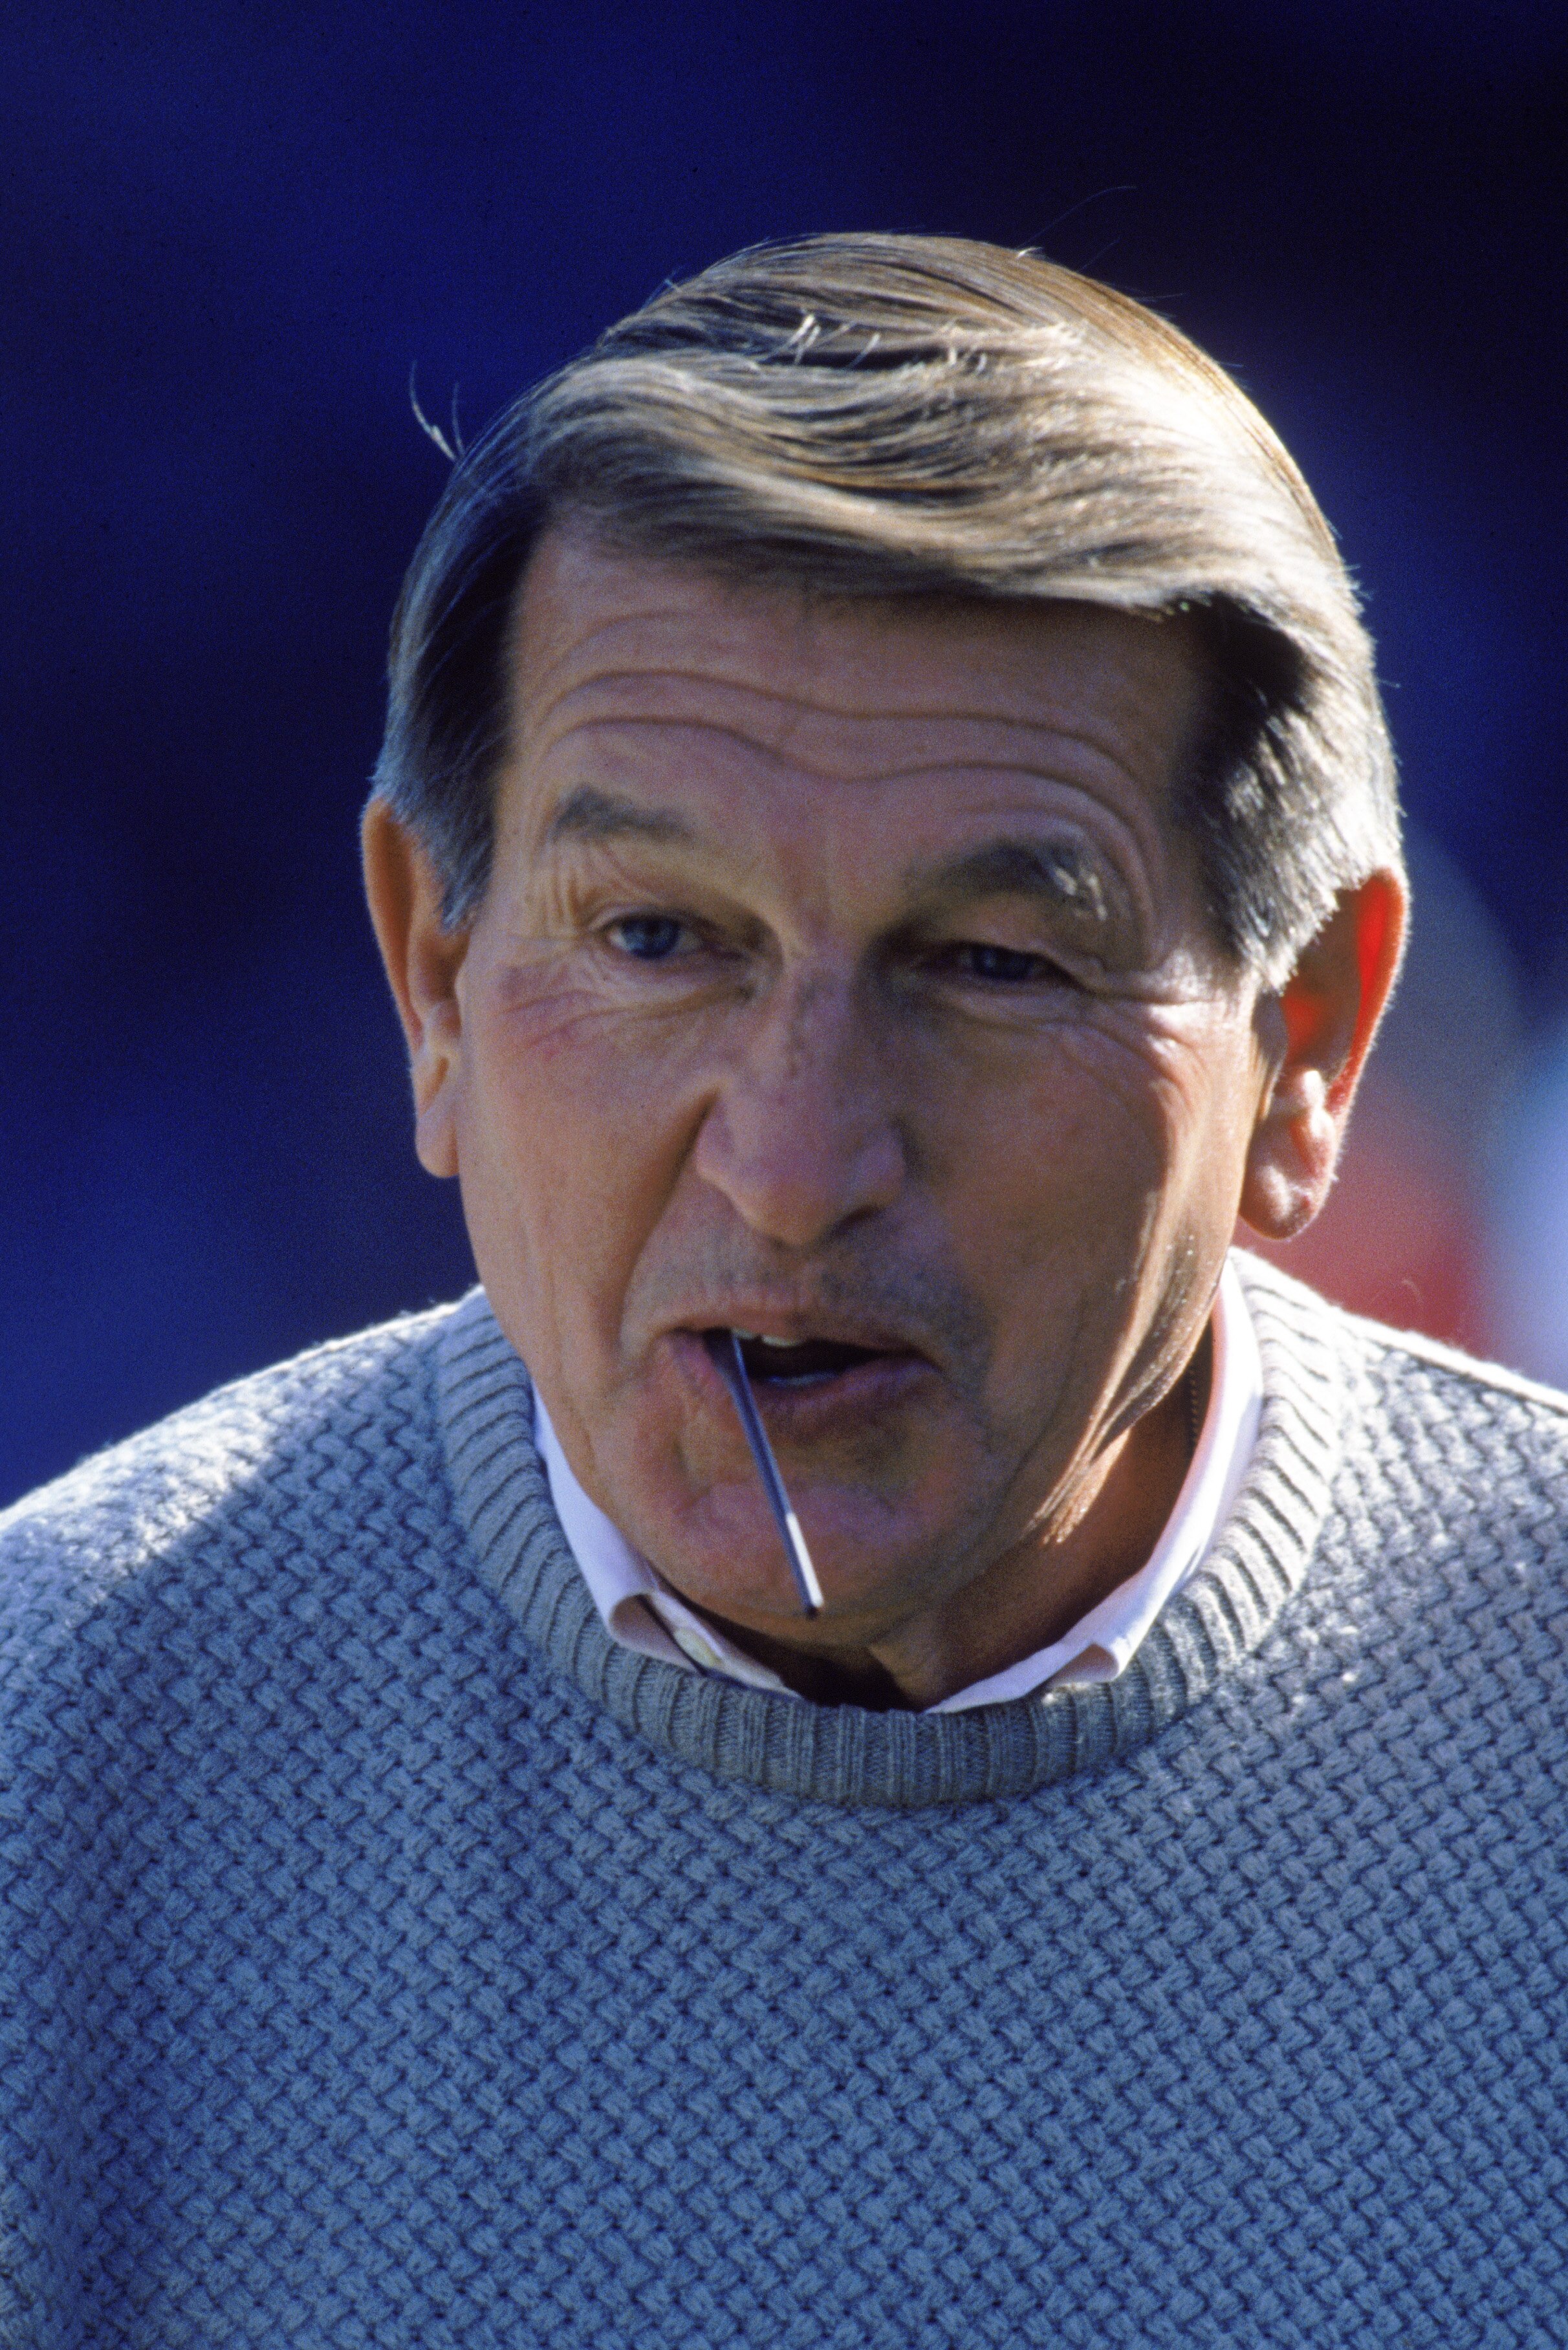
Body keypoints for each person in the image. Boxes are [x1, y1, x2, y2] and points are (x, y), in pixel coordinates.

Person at [3, 234, 1565, 2347]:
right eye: (658, 936)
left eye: (994, 964)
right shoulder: (57, 1762)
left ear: (1311, 1047)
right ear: (433, 977)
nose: (800, 1162)